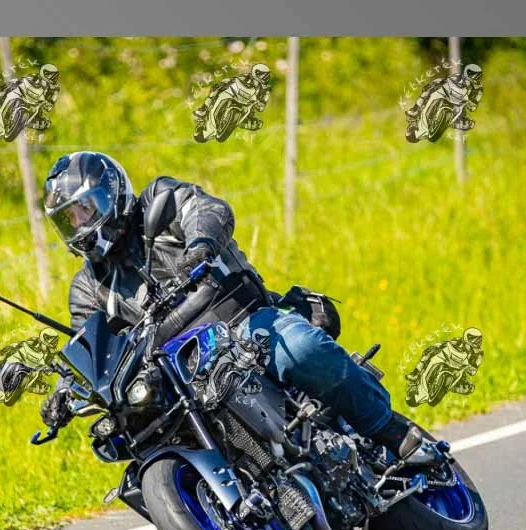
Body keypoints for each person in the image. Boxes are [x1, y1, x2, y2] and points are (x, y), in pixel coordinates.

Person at [37, 151, 414, 456]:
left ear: (110, 193)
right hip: (184, 378)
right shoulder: (88, 287)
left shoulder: (158, 204)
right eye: (69, 219)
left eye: (84, 209)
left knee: (301, 348)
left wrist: (200, 246)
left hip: (242, 327)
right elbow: (90, 349)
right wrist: (65, 390)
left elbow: (206, 211)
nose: (79, 225)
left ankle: (391, 431)